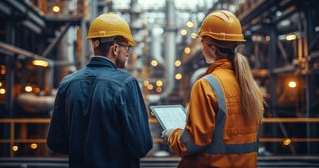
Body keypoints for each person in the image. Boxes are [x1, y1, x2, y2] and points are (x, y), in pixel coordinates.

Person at [47, 13, 153, 168]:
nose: (129, 53)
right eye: (127, 47)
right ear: (115, 48)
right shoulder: (125, 83)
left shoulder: (67, 83)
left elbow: (55, 142)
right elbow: (141, 145)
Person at [161, 10, 264, 167]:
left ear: (212, 48)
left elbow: (193, 142)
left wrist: (172, 135)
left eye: (202, 42)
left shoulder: (206, 86)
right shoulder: (251, 86)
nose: (201, 47)